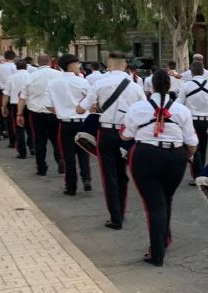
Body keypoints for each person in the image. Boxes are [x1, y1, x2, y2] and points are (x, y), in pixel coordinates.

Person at [122, 69, 198, 266]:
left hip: (146, 156)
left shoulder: (138, 108)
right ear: (170, 85)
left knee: (154, 204)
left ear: (151, 85)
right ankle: (164, 239)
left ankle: (157, 253)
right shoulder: (182, 110)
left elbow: (126, 136)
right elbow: (191, 141)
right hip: (175, 157)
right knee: (165, 198)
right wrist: (185, 156)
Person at [77, 51, 146, 230]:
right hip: (126, 133)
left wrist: (94, 107)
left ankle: (115, 217)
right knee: (122, 173)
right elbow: (143, 112)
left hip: (106, 132)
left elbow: (80, 109)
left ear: (109, 64)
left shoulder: (99, 83)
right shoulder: (136, 87)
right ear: (125, 65)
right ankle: (121, 211)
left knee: (109, 174)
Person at [45, 53, 92, 195]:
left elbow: (48, 105)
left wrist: (60, 111)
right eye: (77, 64)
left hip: (65, 123)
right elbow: (91, 102)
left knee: (68, 156)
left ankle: (71, 186)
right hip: (83, 122)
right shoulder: (83, 82)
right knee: (84, 151)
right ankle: (86, 178)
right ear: (71, 65)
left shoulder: (53, 83)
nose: (79, 67)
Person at [176, 61, 208, 185]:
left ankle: (198, 175)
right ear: (203, 72)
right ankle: (201, 173)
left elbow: (178, 104)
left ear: (191, 73)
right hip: (206, 121)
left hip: (192, 121)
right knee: (203, 148)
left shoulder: (186, 86)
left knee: (194, 148)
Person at [16, 54, 63, 176]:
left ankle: (41, 167)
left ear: (38, 62)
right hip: (55, 113)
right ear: (49, 62)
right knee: (57, 139)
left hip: (37, 114)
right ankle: (60, 160)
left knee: (39, 141)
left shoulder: (31, 77)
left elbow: (22, 98)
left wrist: (19, 114)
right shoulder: (59, 75)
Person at [2, 60, 33, 159]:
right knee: (30, 128)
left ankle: (22, 151)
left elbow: (6, 94)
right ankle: (32, 147)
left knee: (19, 129)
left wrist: (4, 106)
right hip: (30, 105)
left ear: (16, 67)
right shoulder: (31, 77)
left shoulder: (11, 78)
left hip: (16, 105)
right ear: (26, 67)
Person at [0, 50, 18, 148]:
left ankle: (11, 139)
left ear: (4, 57)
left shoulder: (0, 66)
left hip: (4, 92)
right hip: (16, 94)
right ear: (14, 57)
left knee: (7, 117)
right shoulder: (17, 66)